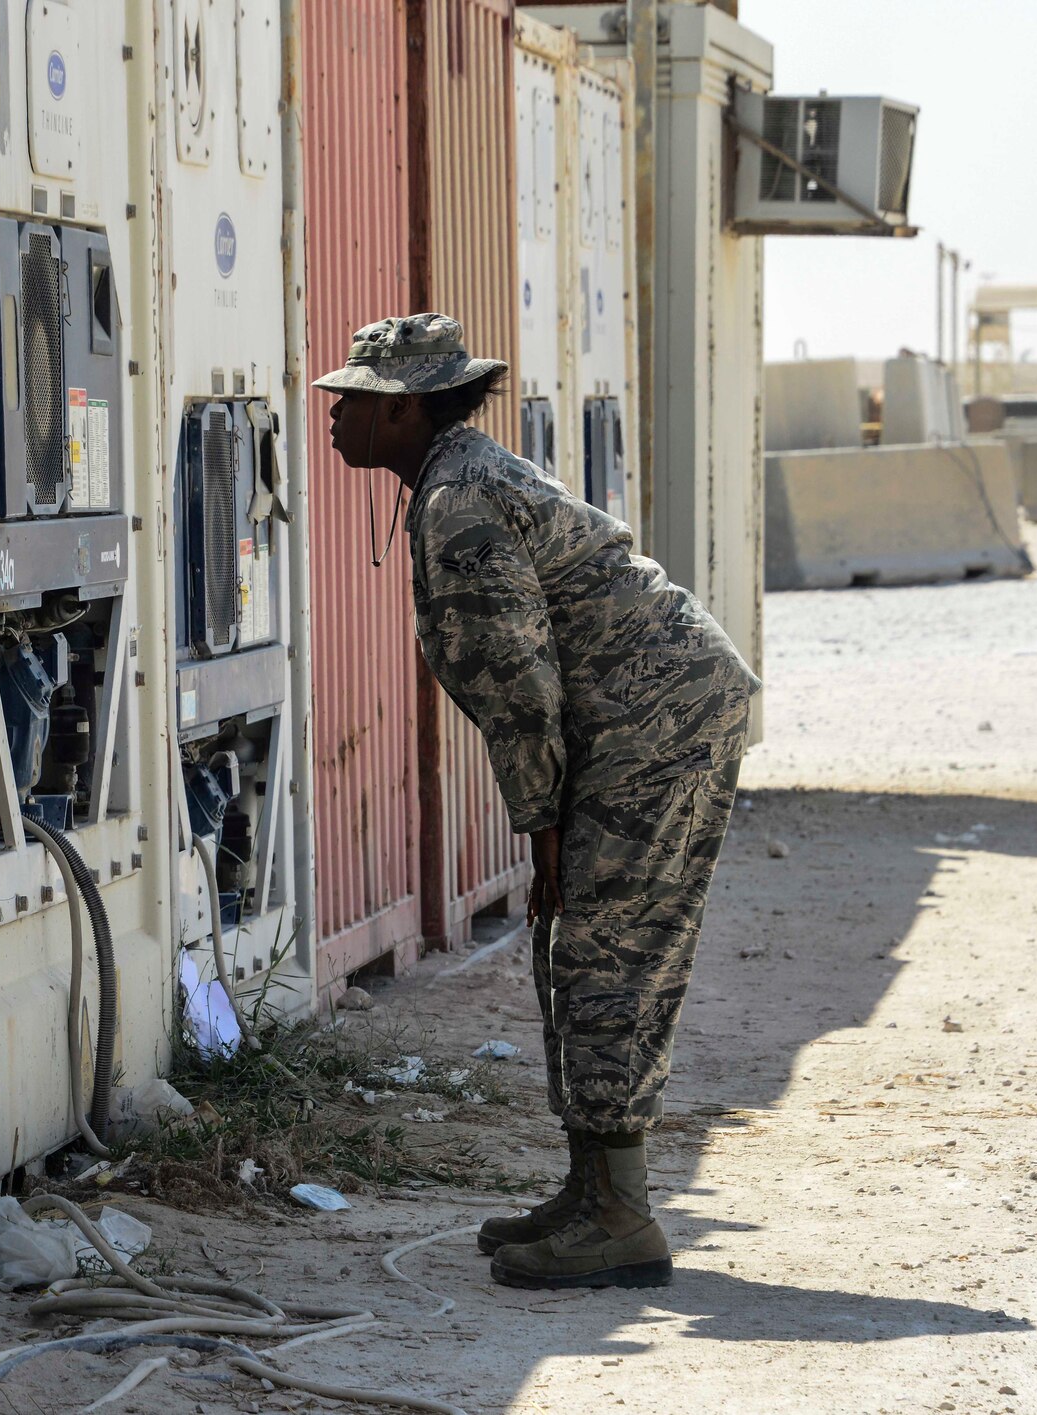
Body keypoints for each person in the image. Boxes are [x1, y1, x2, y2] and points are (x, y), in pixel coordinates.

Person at [314, 314, 760, 1291]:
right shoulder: (449, 476)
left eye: (356, 398)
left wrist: (541, 821)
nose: (336, 413)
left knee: (608, 949)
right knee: (587, 946)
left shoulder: (459, 499)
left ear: (408, 411)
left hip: (653, 722)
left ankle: (619, 1216)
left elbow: (518, 681)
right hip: (632, 719)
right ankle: (590, 1188)